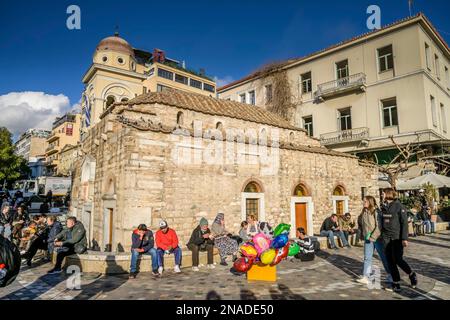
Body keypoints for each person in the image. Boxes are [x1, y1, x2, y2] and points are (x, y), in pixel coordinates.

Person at [381, 188, 417, 292]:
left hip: (396, 238)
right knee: (390, 261)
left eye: (383, 193)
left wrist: (404, 238)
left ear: (388, 194)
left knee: (398, 260)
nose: (381, 195)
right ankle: (396, 283)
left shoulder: (399, 206)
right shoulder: (384, 206)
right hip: (386, 238)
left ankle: (411, 274)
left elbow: (404, 223)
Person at [356, 196, 392, 285]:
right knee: (367, 258)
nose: (363, 202)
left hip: (377, 238)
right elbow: (362, 224)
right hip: (368, 239)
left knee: (383, 257)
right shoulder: (364, 212)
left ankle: (390, 274)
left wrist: (372, 236)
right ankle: (366, 277)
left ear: (370, 202)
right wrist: (363, 234)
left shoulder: (376, 212)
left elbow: (378, 226)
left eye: (365, 201)